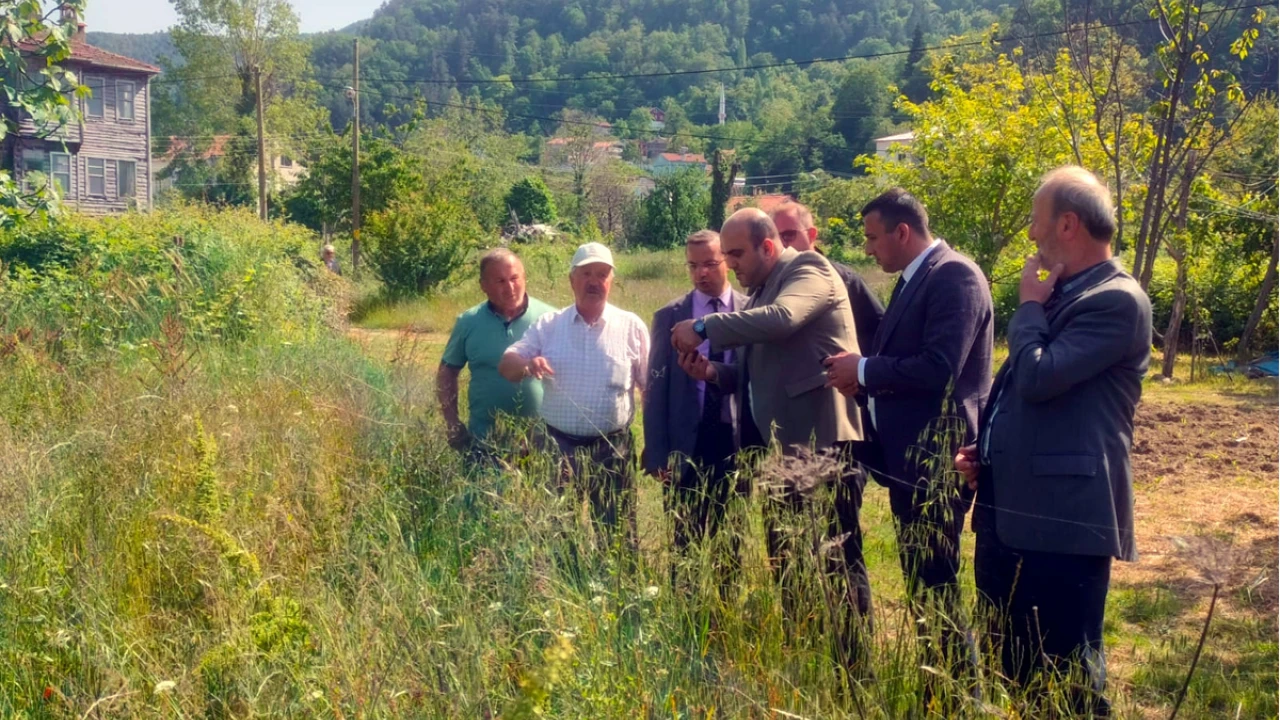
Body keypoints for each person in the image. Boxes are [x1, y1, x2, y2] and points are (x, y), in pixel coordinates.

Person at [955, 166, 1151, 716]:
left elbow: (1039, 376)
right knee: (1017, 673)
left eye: (1036, 221)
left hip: (1062, 526)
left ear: (1067, 224)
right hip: (1013, 514)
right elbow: (1028, 395)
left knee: (1067, 683)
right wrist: (989, 453)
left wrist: (1028, 306)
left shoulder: (1116, 300)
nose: (1031, 235)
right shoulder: (1064, 295)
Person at [670, 208, 869, 668]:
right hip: (781, 452)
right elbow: (755, 373)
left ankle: (855, 673)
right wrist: (714, 372)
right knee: (788, 563)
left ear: (767, 246)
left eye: (736, 254)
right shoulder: (761, 291)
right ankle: (806, 662)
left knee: (837, 563)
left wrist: (702, 327)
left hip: (823, 445)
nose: (730, 263)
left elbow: (784, 318)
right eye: (726, 254)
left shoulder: (808, 269)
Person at [823, 188, 992, 693]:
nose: (868, 249)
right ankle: (937, 689)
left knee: (935, 583)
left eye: (874, 238)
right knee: (922, 581)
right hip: (909, 460)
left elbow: (941, 368)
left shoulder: (955, 276)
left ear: (902, 231)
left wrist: (865, 370)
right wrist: (863, 385)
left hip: (938, 460)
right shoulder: (915, 279)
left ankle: (958, 694)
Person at [499, 242, 649, 540]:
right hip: (557, 448)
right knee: (556, 537)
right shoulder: (549, 325)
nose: (594, 281)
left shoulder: (631, 326)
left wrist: (655, 443)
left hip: (612, 450)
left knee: (618, 539)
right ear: (572, 280)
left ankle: (616, 573)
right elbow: (507, 365)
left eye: (602, 274)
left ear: (611, 280)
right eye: (586, 274)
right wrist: (528, 364)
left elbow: (650, 389)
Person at [642, 229, 750, 588]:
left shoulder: (751, 310)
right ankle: (685, 613)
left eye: (710, 264)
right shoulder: (669, 316)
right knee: (683, 544)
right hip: (685, 445)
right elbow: (656, 389)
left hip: (735, 442)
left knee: (730, 545)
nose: (701, 273)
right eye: (693, 266)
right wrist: (657, 452)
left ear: (727, 261)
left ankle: (724, 612)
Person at [438, 249, 556, 455]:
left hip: (542, 444)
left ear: (524, 278)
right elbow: (447, 372)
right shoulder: (469, 322)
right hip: (484, 443)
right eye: (500, 281)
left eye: (514, 278)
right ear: (483, 285)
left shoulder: (550, 318)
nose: (510, 288)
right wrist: (452, 422)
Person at [771, 201, 884, 353]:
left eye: (788, 235)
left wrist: (858, 364)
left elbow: (880, 331)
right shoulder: (770, 284)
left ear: (811, 234)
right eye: (776, 238)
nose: (782, 244)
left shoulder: (844, 279)